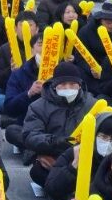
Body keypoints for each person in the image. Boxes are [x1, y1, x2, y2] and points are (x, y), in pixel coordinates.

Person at [22, 62, 97, 192]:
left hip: (86, 157)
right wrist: (55, 141)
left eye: (72, 85)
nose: (68, 88)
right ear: (54, 86)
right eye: (62, 85)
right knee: (38, 171)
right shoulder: (38, 106)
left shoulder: (93, 105)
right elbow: (30, 135)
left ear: (79, 86)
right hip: (54, 155)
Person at [43, 112, 112, 200]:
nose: (108, 142)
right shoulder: (77, 151)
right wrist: (73, 166)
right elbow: (52, 189)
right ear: (94, 134)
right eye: (104, 137)